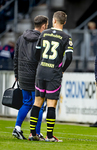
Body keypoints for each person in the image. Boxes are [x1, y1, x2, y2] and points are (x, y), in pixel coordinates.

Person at [29, 11, 73, 142]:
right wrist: (62, 70)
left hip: (41, 71)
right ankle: (49, 136)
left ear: (54, 20)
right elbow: (69, 58)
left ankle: (33, 134)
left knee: (37, 103)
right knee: (51, 105)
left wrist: (41, 63)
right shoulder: (66, 37)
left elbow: (36, 53)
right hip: (54, 74)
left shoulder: (43, 33)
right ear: (64, 22)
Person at [12, 15, 49, 140]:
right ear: (43, 26)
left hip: (23, 76)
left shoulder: (21, 38)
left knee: (27, 103)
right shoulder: (42, 39)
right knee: (38, 105)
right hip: (36, 77)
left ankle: (17, 128)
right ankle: (36, 133)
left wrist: (17, 74)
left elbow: (15, 57)